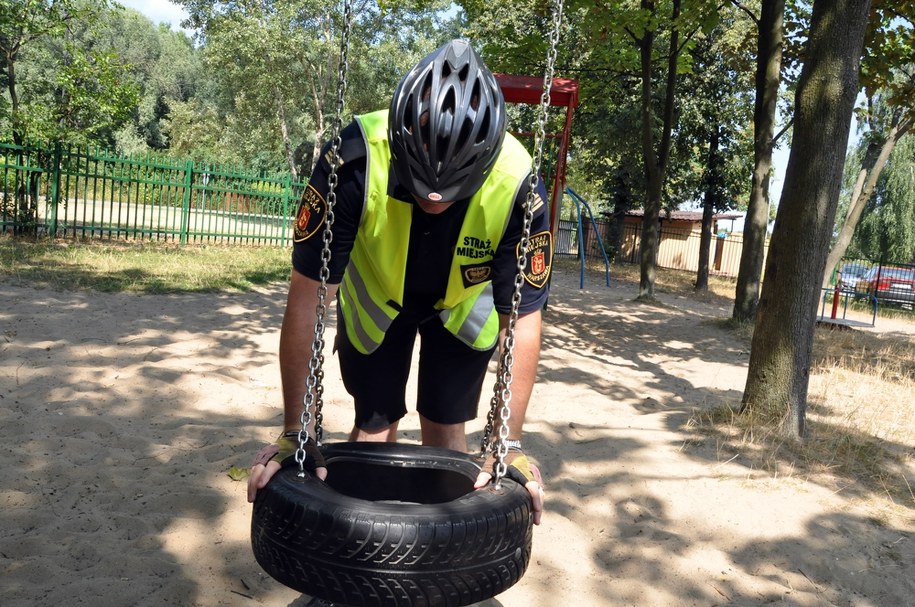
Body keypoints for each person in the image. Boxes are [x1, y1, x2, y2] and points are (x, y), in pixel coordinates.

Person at [247, 39, 550, 525]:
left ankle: (447, 562)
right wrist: (294, 430)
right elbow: (307, 301)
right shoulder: (352, 158)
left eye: (453, 192)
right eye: (419, 182)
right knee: (373, 427)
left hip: (462, 306)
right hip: (376, 300)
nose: (434, 201)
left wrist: (508, 442)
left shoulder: (519, 184)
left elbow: (524, 320)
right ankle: (352, 553)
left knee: (450, 440)